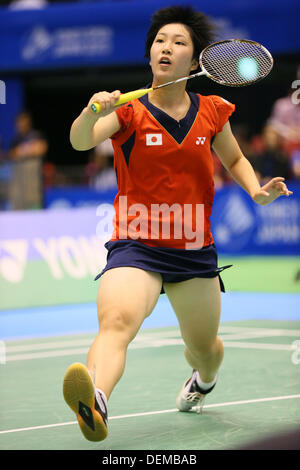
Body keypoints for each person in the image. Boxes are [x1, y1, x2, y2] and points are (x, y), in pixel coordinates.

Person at [63, 5, 292, 442]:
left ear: (196, 59)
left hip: (193, 250)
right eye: (160, 41)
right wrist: (92, 113)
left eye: (178, 42)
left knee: (205, 349)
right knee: (117, 321)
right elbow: (79, 141)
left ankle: (202, 381)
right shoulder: (127, 112)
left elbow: (235, 158)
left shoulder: (211, 111)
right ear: (150, 54)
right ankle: (96, 399)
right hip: (137, 244)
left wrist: (256, 190)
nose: (166, 47)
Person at [9, 111, 48, 210]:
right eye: (19, 122)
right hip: (19, 183)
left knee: (34, 210)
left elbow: (41, 148)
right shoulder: (15, 140)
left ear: (28, 122)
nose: (21, 125)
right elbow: (12, 154)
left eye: (23, 122)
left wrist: (22, 151)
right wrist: (29, 149)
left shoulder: (36, 135)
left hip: (34, 184)